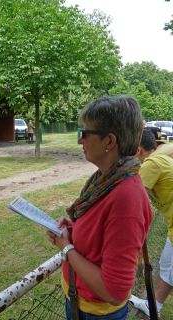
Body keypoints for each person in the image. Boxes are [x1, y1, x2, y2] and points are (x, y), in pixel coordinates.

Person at [47, 96, 152, 320]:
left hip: (96, 314)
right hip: (79, 302)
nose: (79, 141)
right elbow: (101, 236)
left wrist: (66, 248)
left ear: (109, 141)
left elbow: (114, 291)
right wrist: (74, 229)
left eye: (84, 134)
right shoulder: (105, 181)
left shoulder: (125, 197)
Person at [130, 129, 173, 317]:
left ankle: (154, 305)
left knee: (168, 266)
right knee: (168, 265)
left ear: (138, 150)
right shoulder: (159, 160)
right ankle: (155, 305)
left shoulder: (151, 164)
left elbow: (132, 198)